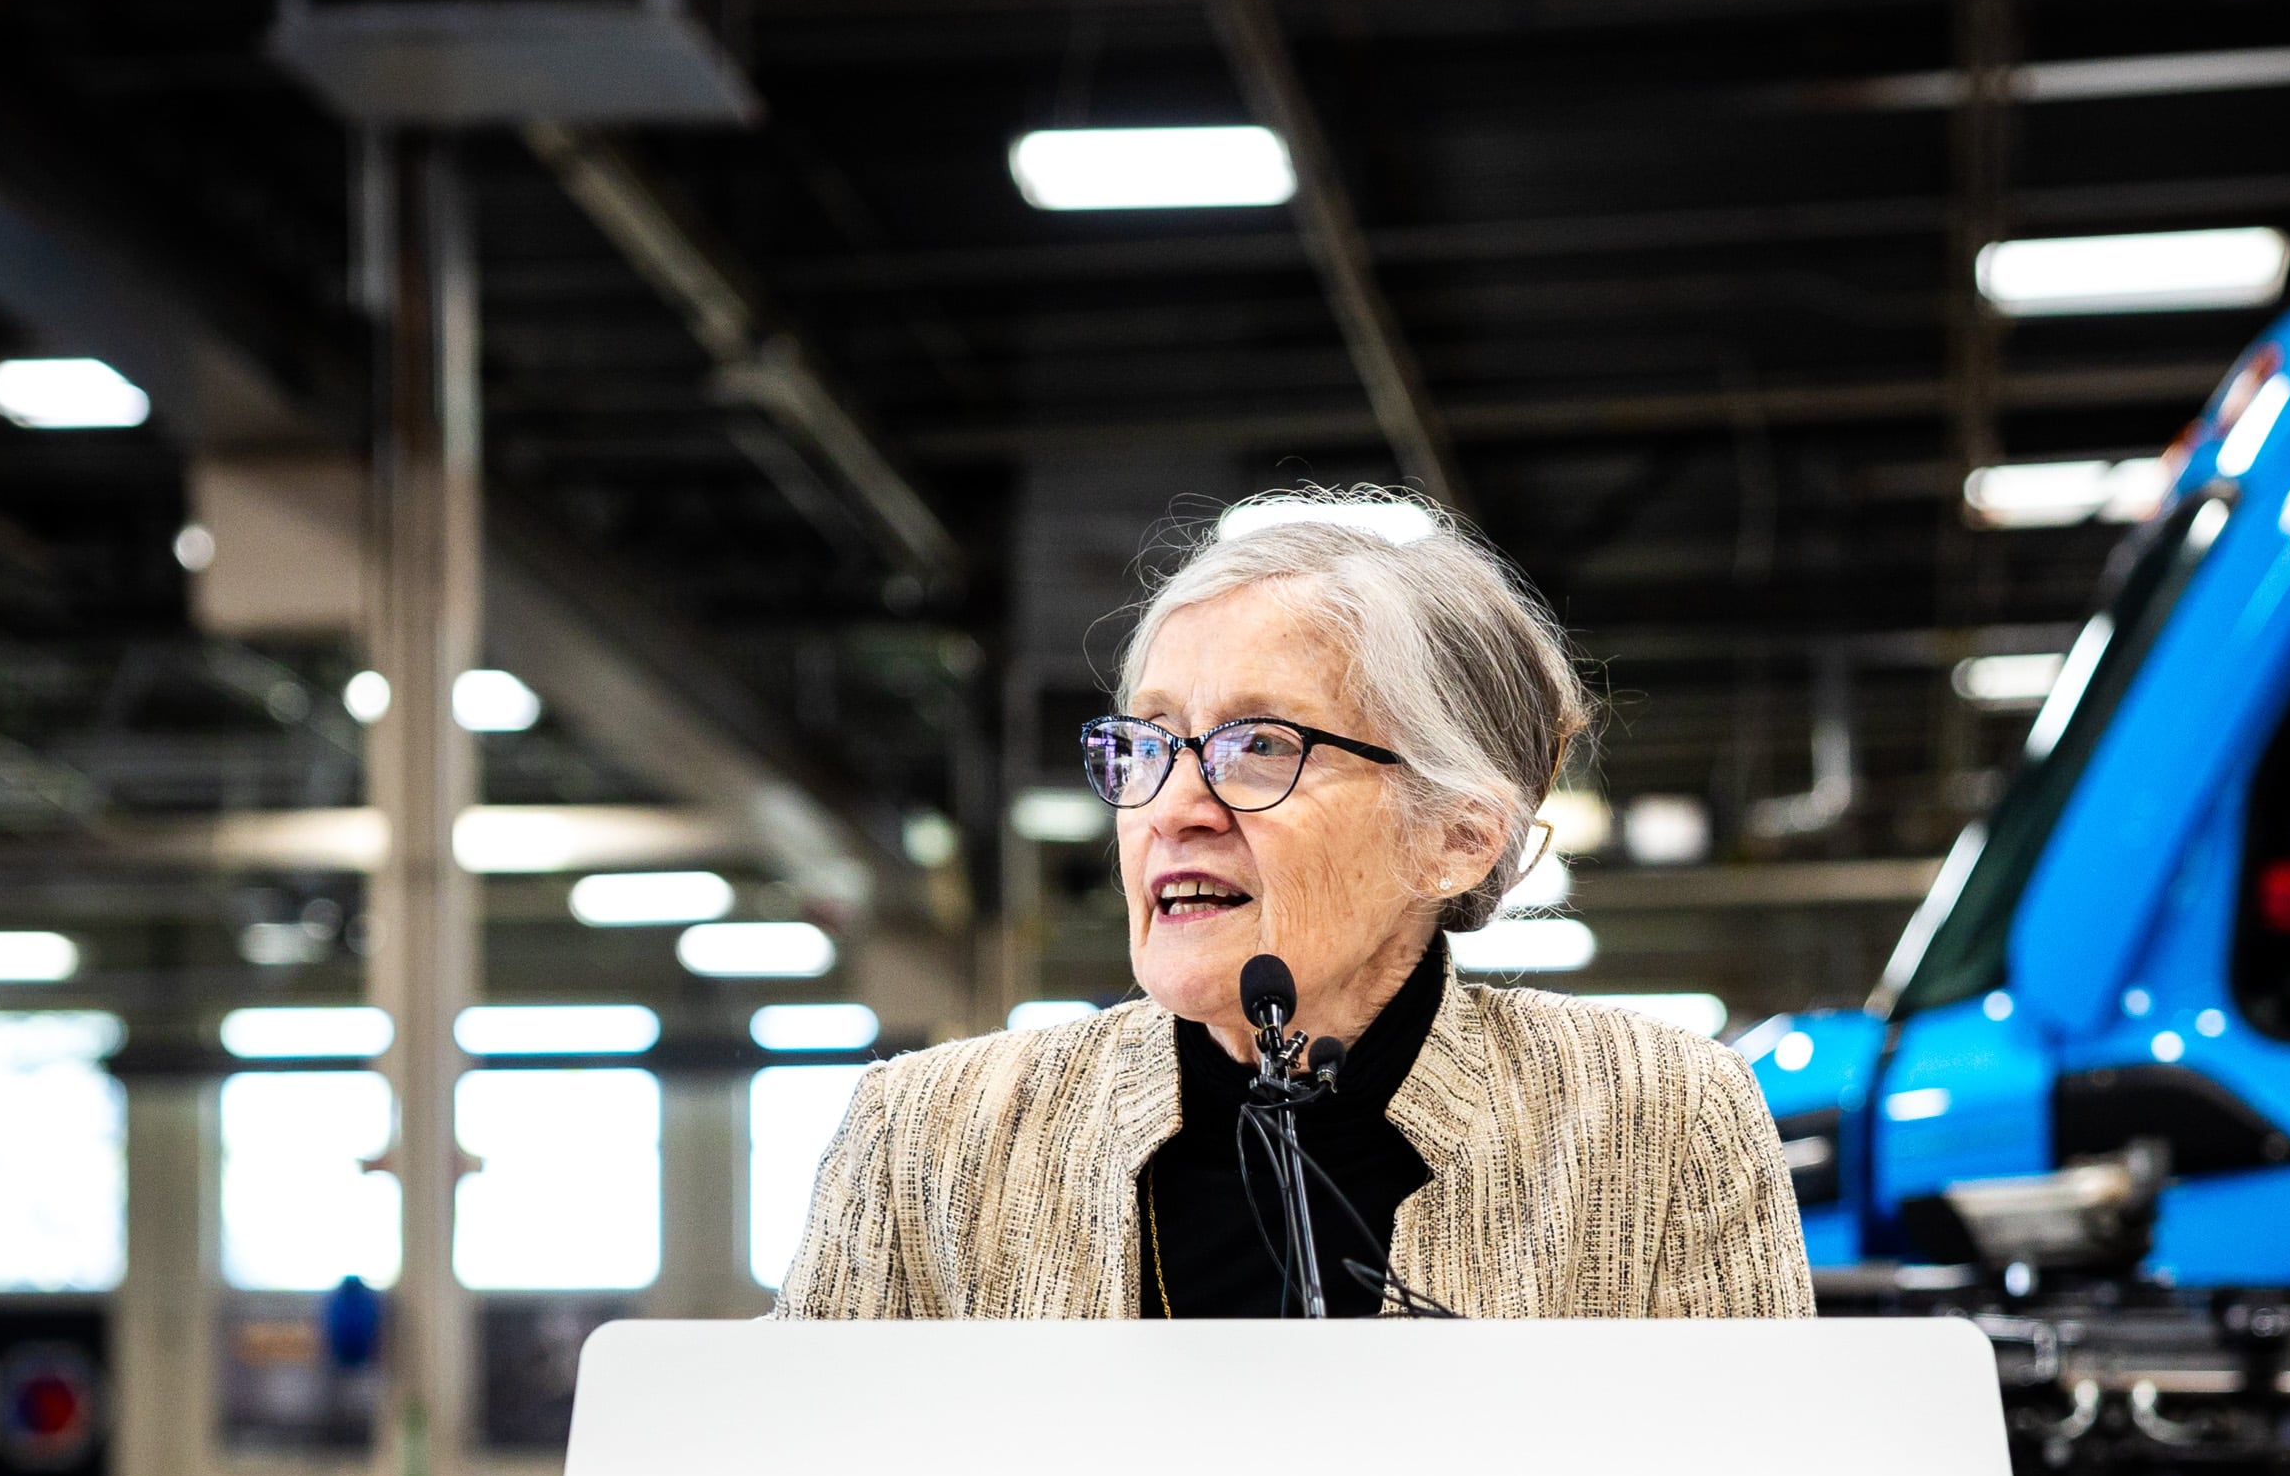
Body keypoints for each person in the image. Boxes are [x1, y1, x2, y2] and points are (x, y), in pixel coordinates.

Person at [773, 489, 1813, 1320]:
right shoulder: (930, 1136)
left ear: (1457, 836)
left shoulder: (1660, 1114)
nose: (1174, 806)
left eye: (1261, 745)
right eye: (1149, 741)